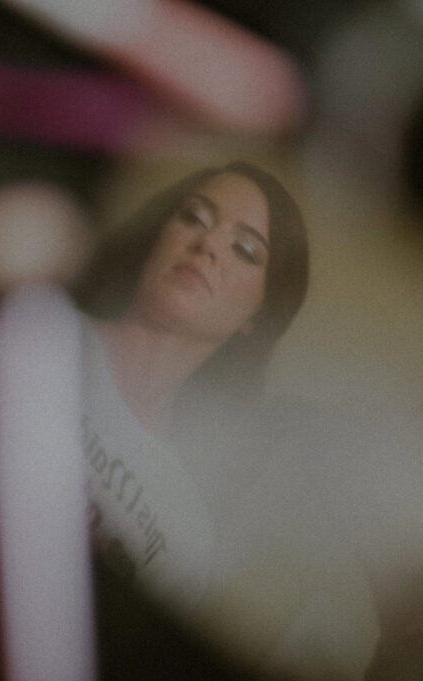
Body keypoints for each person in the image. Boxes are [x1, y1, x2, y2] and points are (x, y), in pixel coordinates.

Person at [69, 161, 310, 615]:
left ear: (258, 315)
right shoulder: (36, 333)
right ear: (158, 237)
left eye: (244, 249)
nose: (207, 244)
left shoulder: (185, 536)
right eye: (194, 218)